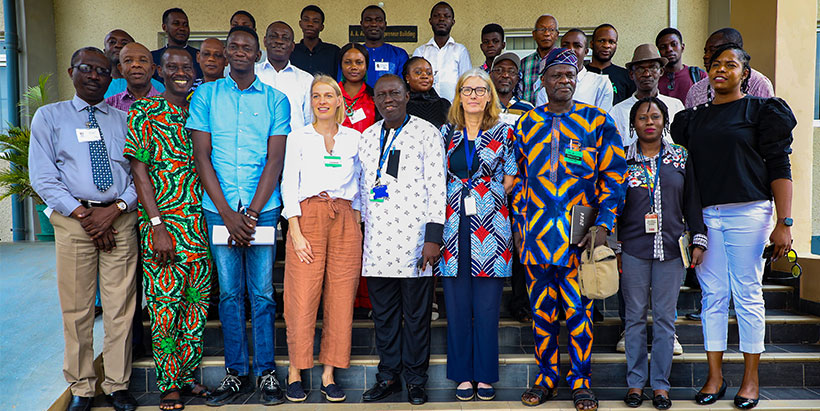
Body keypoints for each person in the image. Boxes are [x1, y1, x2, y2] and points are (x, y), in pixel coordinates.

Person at [672, 44, 796, 410]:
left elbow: (779, 165)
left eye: (730, 64)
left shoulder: (762, 111)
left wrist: (784, 222)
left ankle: (750, 380)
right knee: (712, 296)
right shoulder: (691, 120)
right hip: (707, 215)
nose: (721, 69)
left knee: (747, 294)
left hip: (750, 212)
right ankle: (714, 376)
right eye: (715, 64)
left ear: (745, 74)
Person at [512, 48, 626, 410]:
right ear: (542, 81)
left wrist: (604, 224)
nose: (564, 81)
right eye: (556, 75)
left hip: (579, 239)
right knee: (542, 314)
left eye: (570, 75)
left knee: (579, 314)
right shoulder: (526, 124)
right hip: (536, 238)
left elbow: (614, 178)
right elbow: (518, 181)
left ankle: (581, 382)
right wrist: (519, 227)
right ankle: (546, 378)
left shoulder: (597, 121)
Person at [29, 46, 139, 411]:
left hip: (119, 221)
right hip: (75, 223)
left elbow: (139, 175)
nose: (94, 75)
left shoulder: (124, 119)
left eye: (102, 71)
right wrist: (84, 215)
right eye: (86, 68)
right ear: (71, 71)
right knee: (77, 309)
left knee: (120, 307)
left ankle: (117, 384)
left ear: (111, 78)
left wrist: (115, 210)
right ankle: (82, 387)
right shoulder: (50, 117)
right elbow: (43, 176)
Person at [187, 26, 290, 406]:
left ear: (257, 54)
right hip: (219, 210)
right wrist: (229, 214)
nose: (241, 51)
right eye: (234, 46)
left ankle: (266, 373)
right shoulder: (206, 95)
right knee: (230, 294)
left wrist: (252, 213)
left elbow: (275, 160)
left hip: (264, 209)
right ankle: (236, 373)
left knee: (262, 294)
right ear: (226, 53)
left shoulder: (277, 100)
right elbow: (202, 157)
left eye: (248, 47)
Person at [124, 47, 212, 411]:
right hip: (165, 230)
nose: (181, 72)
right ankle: (168, 385)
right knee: (164, 310)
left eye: (186, 67)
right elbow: (139, 171)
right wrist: (157, 225)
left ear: (195, 72)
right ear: (160, 71)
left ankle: (187, 377)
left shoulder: (199, 111)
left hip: (200, 228)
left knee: (196, 308)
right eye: (173, 67)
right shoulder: (144, 111)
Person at [358, 75, 446, 406]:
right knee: (384, 317)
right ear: (375, 100)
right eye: (381, 94)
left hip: (415, 241)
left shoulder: (427, 132)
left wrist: (433, 237)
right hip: (377, 242)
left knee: (417, 317)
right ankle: (388, 377)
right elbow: (364, 189)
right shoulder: (367, 136)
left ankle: (416, 380)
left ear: (407, 95)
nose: (388, 99)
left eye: (394, 92)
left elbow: (437, 186)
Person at [617, 97, 706, 411]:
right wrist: (615, 247)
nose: (649, 122)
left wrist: (698, 239)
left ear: (665, 122)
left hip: (671, 249)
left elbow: (692, 199)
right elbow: (614, 205)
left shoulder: (680, 156)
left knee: (666, 320)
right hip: (633, 249)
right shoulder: (622, 159)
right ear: (633, 124)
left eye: (655, 117)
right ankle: (635, 384)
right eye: (642, 118)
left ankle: (660, 387)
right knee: (634, 319)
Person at [280, 75, 363, 404]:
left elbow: (361, 185)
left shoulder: (354, 138)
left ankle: (329, 373)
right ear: (310, 102)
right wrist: (295, 230)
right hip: (308, 217)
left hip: (344, 217)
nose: (322, 101)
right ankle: (295, 372)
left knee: (341, 299)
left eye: (329, 95)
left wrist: (357, 222)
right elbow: (289, 183)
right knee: (301, 298)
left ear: (340, 100)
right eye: (316, 96)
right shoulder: (298, 137)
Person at [435, 69, 515, 402]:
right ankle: (462, 375)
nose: (473, 96)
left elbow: (510, 178)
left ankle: (484, 375)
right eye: (467, 90)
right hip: (453, 227)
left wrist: (483, 194)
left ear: (489, 96)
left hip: (491, 229)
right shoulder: (446, 132)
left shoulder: (504, 131)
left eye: (480, 90)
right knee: (456, 307)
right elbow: (437, 176)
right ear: (458, 96)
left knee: (486, 308)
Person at [488, 52, 534, 324]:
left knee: (520, 244)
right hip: (488, 187)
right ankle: (487, 304)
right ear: (491, 75)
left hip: (519, 187)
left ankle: (521, 304)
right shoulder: (482, 104)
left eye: (511, 71)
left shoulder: (527, 109)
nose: (505, 75)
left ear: (518, 78)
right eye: (499, 70)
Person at [609, 44, 685, 147]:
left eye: (652, 68)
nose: (647, 74)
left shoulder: (675, 106)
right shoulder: (618, 111)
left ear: (661, 71)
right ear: (631, 74)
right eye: (640, 69)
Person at [684, 28, 773, 108]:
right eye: (705, 51)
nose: (706, 56)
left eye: (713, 50)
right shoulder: (696, 90)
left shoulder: (758, 84)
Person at [535, 28, 613, 111]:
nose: (571, 49)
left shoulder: (601, 83)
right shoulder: (547, 87)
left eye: (577, 46)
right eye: (565, 45)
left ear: (586, 52)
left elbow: (602, 116)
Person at [256, 21, 313, 131]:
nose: (279, 41)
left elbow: (310, 121)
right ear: (265, 41)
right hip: (257, 140)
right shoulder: (252, 74)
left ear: (292, 46)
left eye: (285, 38)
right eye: (274, 36)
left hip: (294, 140)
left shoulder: (306, 79)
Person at [412, 1, 471, 102]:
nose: (441, 19)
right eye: (437, 16)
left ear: (453, 22)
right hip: (425, 107)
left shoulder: (460, 50)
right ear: (430, 21)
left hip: (453, 108)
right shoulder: (421, 51)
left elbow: (467, 83)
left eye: (446, 16)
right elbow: (414, 82)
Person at [104, 29, 164, 98]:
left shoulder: (157, 86)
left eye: (124, 43)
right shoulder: (100, 84)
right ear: (104, 51)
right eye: (112, 42)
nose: (118, 45)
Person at [360, 5, 409, 88]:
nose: (374, 24)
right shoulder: (353, 55)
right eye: (368, 20)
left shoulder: (399, 54)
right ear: (361, 24)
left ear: (385, 24)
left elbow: (403, 87)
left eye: (378, 20)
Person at [587, 23, 635, 105]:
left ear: (616, 46)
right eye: (601, 41)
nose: (606, 45)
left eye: (611, 42)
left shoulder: (627, 76)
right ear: (591, 44)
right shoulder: (581, 74)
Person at [105, 43, 162, 112]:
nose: (136, 65)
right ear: (121, 69)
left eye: (143, 60)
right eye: (128, 60)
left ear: (152, 69)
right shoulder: (109, 105)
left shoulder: (169, 105)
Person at [151, 8, 202, 81]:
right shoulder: (153, 58)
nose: (182, 28)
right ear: (164, 27)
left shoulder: (200, 57)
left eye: (185, 25)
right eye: (176, 24)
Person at [656, 28, 706, 102]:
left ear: (682, 47)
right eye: (663, 47)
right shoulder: (654, 77)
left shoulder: (698, 75)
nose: (669, 49)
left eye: (674, 44)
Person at [518, 14, 559, 104]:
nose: (546, 34)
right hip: (529, 112)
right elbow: (519, 94)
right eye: (542, 29)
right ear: (534, 34)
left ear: (557, 35)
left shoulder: (562, 61)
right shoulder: (524, 63)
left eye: (551, 30)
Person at [339, 43, 379, 133]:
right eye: (348, 62)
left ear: (366, 66)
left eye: (359, 62)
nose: (354, 67)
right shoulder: (331, 95)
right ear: (341, 65)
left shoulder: (374, 97)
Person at [290, 5, 341, 77]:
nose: (310, 24)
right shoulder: (291, 51)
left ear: (322, 27)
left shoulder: (334, 52)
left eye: (315, 21)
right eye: (306, 20)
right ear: (300, 24)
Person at [404, 56, 451, 129]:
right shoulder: (400, 105)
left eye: (429, 73)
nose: (425, 76)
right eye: (418, 72)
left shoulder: (444, 105)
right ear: (407, 77)